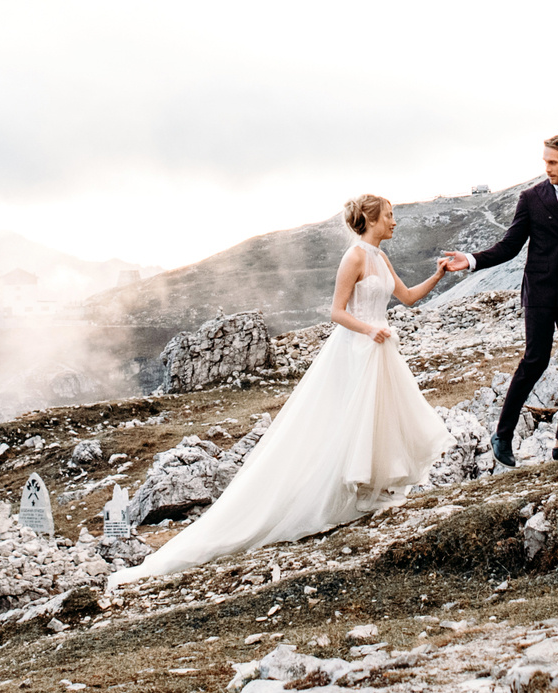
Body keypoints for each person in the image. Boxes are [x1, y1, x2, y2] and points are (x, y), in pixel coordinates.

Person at [108, 194, 468, 587]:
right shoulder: (355, 258)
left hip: (378, 350)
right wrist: (370, 329)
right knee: (347, 422)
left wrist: (438, 275)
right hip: (357, 350)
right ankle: (339, 494)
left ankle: (371, 492)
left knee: (378, 421)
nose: (395, 221)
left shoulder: (381, 259)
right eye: (390, 215)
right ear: (372, 219)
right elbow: (336, 311)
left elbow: (408, 297)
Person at [441, 134, 558, 465]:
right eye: (545, 161)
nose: (547, 168)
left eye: (553, 162)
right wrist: (471, 260)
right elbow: (509, 246)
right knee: (535, 361)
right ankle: (503, 434)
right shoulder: (531, 198)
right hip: (540, 293)